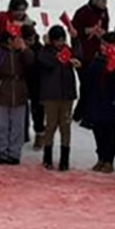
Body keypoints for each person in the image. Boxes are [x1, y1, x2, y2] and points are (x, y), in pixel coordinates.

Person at [0, 25, 36, 165]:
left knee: (18, 125)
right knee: (2, 125)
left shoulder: (23, 52)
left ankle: (15, 153)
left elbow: (31, 61)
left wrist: (24, 49)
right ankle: (3, 152)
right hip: (2, 90)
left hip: (19, 91)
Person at [36, 25, 81, 171]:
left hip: (67, 95)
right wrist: (54, 52)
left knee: (65, 126)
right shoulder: (46, 52)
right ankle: (47, 156)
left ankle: (64, 158)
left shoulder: (68, 51)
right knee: (50, 126)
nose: (60, 43)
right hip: (51, 96)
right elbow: (45, 61)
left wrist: (75, 39)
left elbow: (79, 55)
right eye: (57, 41)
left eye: (62, 40)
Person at [84, 32, 115, 172]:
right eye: (103, 44)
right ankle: (100, 157)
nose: (104, 47)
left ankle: (109, 160)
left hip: (111, 100)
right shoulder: (96, 59)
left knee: (110, 132)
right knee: (98, 131)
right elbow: (88, 78)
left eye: (107, 44)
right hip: (96, 99)